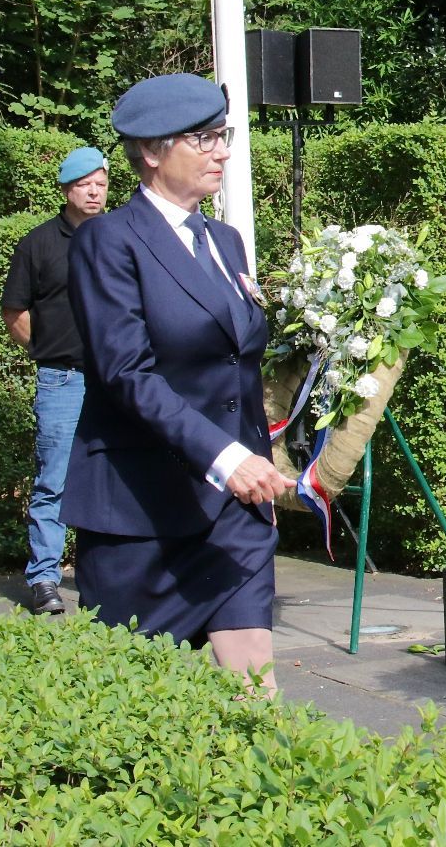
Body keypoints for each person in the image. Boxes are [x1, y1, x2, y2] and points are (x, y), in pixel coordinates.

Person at [62, 73, 295, 687]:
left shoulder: (227, 241)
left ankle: (271, 777)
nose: (223, 150)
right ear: (152, 151)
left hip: (235, 509)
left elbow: (233, 361)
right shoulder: (108, 242)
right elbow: (125, 374)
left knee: (252, 686)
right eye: (205, 138)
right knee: (132, 694)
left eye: (224, 134)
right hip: (143, 508)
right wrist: (224, 457)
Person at [0, 146, 110, 615]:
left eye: (101, 184)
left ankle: (102, 578)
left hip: (116, 383)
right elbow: (15, 311)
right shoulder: (39, 243)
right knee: (55, 483)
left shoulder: (118, 237)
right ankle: (45, 579)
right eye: (85, 184)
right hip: (63, 382)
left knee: (109, 481)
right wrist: (46, 353)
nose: (94, 192)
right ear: (67, 189)